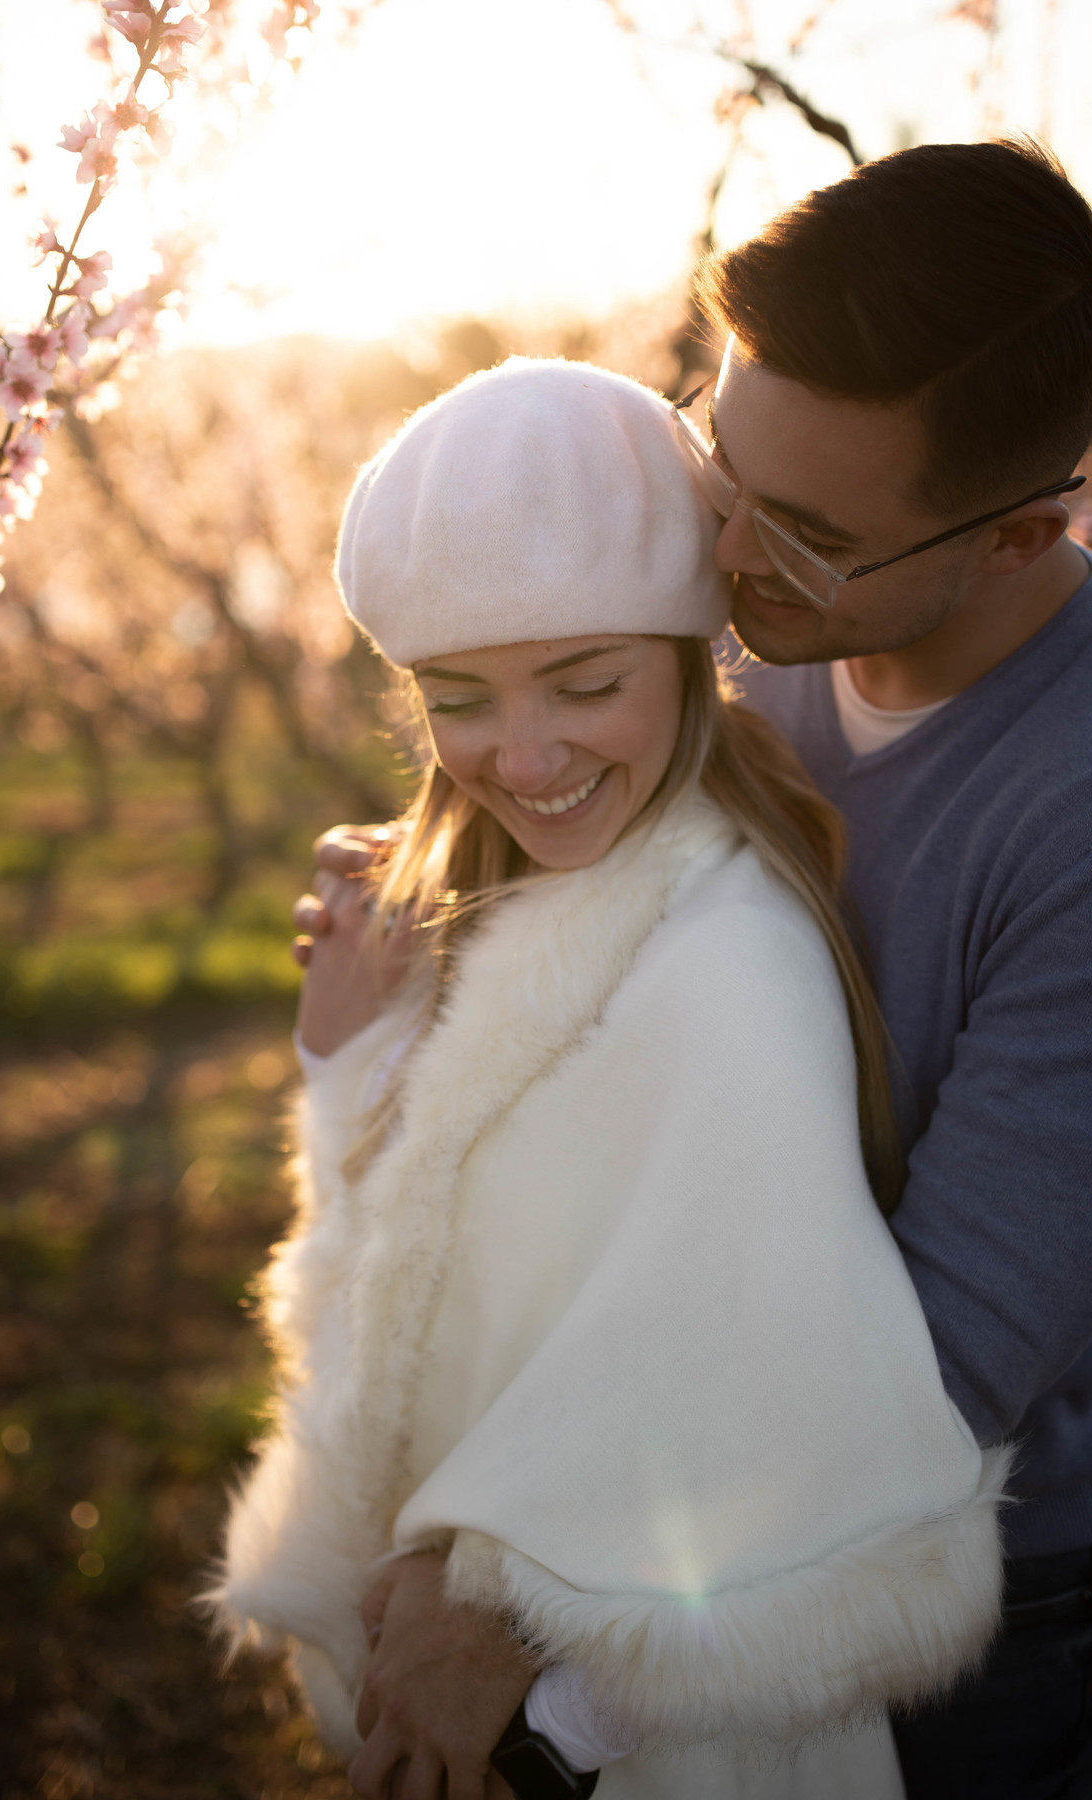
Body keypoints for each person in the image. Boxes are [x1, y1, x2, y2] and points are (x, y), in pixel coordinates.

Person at [297, 139, 1092, 1798]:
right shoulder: (745, 651)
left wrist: (526, 1602)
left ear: (1025, 536)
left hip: (966, 1617)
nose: (720, 562)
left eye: (799, 535)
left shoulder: (1068, 811)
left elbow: (936, 1356)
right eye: (717, 468)